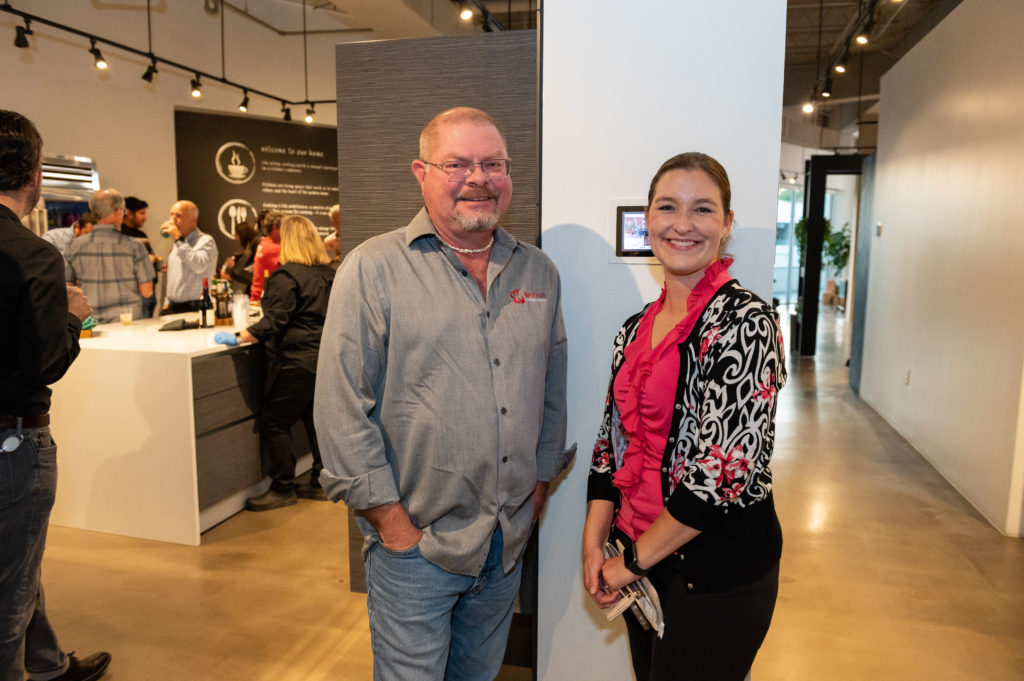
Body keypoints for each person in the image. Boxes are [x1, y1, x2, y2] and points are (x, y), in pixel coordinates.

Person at [315, 107, 573, 681]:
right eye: (457, 163)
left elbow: (552, 389)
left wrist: (535, 491)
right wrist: (392, 525)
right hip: (417, 547)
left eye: (493, 163)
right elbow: (338, 406)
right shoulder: (373, 269)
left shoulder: (538, 272)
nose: (478, 177)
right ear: (421, 172)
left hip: (505, 543)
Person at [582, 152, 786, 681]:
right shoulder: (633, 329)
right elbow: (611, 444)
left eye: (702, 209)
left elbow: (719, 478)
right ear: (647, 219)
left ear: (727, 223)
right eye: (667, 207)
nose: (682, 224)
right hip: (642, 561)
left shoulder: (746, 324)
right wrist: (593, 539)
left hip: (716, 573)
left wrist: (627, 563)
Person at [0, 109, 111, 681]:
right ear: (33, 173)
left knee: (16, 562)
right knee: (11, 584)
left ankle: (46, 664)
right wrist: (71, 319)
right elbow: (47, 361)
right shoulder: (32, 254)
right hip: (14, 439)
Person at [221, 216, 335, 510]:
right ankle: (321, 481)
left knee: (275, 421)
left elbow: (275, 320)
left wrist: (241, 336)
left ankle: (282, 487)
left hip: (295, 359)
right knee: (314, 420)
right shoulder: (327, 274)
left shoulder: (287, 276)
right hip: (323, 358)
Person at [66, 189, 154, 324]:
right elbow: (147, 291)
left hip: (89, 322)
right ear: (118, 212)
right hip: (126, 322)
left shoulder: (73, 246)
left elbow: (68, 288)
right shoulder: (135, 246)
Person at [161, 199, 218, 314]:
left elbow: (199, 266)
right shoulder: (179, 243)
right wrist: (166, 302)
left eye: (178, 216)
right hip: (172, 307)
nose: (172, 220)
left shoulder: (206, 241)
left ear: (193, 220)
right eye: (171, 215)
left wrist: (179, 239)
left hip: (193, 308)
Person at [121, 196, 159, 318]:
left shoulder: (141, 234)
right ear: (129, 214)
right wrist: (147, 260)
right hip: (136, 293)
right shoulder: (121, 235)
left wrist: (157, 263)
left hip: (150, 290)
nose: (145, 217)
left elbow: (151, 256)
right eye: (141, 213)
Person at [249, 211, 282, 302]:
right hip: (265, 300)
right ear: (275, 227)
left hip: (257, 297)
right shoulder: (275, 249)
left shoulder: (264, 243)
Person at [219, 220, 257, 296]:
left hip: (254, 291)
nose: (236, 238)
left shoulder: (255, 249)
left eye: (237, 235)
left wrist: (234, 266)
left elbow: (250, 276)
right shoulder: (250, 249)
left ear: (243, 235)